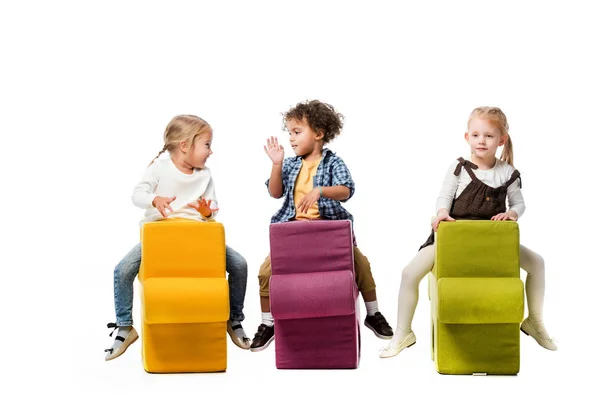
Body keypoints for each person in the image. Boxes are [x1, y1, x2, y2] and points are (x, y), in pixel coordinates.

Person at [380, 106, 557, 358]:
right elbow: (444, 196)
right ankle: (403, 332)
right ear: (467, 138)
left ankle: (535, 322)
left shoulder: (508, 173)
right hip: (454, 240)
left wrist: (512, 214)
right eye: (475, 135)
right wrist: (442, 212)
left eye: (488, 135)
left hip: (492, 243)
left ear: (501, 140)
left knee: (537, 263)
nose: (481, 141)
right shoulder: (459, 167)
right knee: (409, 273)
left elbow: (519, 203)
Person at [250, 100, 394, 352]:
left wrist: (320, 190)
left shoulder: (333, 163)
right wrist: (276, 164)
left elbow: (346, 190)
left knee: (361, 264)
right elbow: (275, 192)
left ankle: (373, 313)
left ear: (318, 134)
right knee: (265, 272)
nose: (291, 138)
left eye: (297, 132)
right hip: (293, 232)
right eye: (289, 132)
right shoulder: (291, 164)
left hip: (329, 231)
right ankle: (267, 322)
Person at [105, 115, 250, 361]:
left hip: (198, 238)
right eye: (206, 144)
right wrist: (155, 200)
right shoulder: (160, 168)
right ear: (185, 145)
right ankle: (125, 326)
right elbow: (137, 194)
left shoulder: (205, 174)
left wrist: (207, 211)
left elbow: (213, 206)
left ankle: (234, 319)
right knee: (122, 270)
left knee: (239, 265)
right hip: (160, 239)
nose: (210, 151)